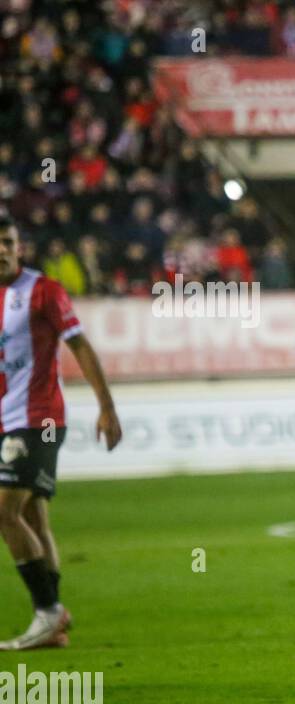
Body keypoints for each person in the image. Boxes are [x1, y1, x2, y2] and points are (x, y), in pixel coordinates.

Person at [0, 215, 122, 650]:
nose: (2, 250)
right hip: (7, 421)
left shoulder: (43, 291)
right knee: (33, 517)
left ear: (19, 247)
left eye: (7, 242)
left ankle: (48, 611)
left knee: (4, 510)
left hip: (42, 421)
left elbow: (80, 346)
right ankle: (53, 619)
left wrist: (107, 407)